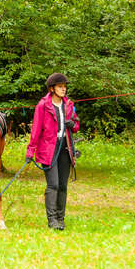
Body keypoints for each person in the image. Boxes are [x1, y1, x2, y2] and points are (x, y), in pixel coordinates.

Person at [26, 73, 80, 230]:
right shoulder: (43, 105)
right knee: (53, 184)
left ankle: (60, 219)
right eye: (60, 87)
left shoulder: (68, 105)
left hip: (65, 147)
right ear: (52, 89)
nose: (64, 89)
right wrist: (31, 152)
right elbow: (36, 129)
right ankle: (52, 221)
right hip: (48, 149)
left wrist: (72, 125)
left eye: (65, 86)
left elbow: (76, 126)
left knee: (63, 185)